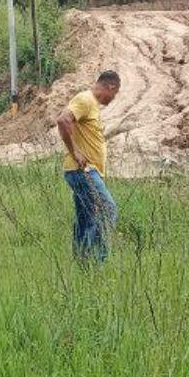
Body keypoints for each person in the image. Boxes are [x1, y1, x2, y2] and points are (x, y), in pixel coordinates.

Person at [56, 71, 121, 263]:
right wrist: (74, 151)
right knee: (109, 209)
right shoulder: (85, 99)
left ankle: (81, 262)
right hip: (83, 171)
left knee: (86, 219)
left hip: (83, 172)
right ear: (110, 87)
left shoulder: (92, 105)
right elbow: (63, 120)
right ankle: (95, 259)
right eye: (115, 93)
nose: (114, 98)